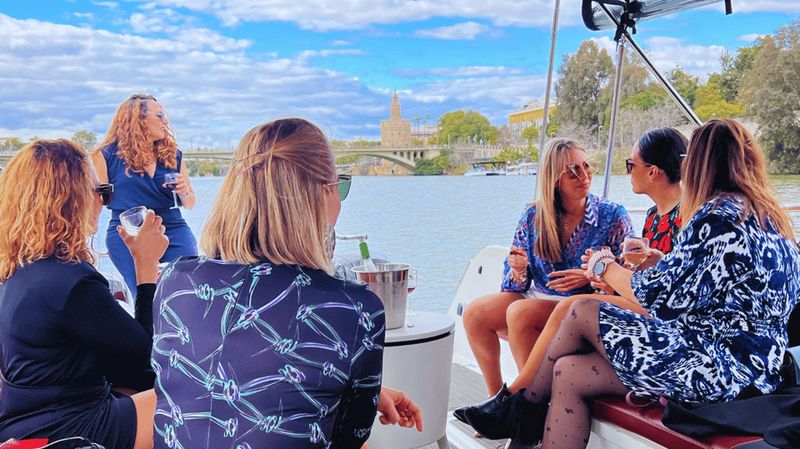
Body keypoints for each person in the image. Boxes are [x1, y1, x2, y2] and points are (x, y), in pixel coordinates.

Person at [456, 119, 800, 449]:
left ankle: (519, 406)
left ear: (699, 166)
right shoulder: (771, 219)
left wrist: (602, 265)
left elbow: (658, 299)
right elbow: (725, 286)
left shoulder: (715, 216)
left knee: (581, 309)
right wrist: (661, 263)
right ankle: (521, 418)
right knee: (569, 371)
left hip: (719, 370)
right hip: (761, 370)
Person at [150, 118, 417, 449]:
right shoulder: (353, 309)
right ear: (323, 194)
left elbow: (218, 379)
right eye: (340, 186)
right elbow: (347, 438)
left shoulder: (175, 281)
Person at [0, 139, 168, 449]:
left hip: (22, 419)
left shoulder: (17, 269)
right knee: (191, 398)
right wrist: (146, 270)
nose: (105, 204)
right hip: (69, 426)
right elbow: (148, 357)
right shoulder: (72, 281)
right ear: (71, 199)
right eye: (101, 192)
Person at [462, 138, 633, 397]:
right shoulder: (532, 216)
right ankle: (496, 397)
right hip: (539, 295)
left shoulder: (612, 216)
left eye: (587, 166)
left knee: (520, 312)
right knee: (474, 314)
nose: (584, 175)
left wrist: (590, 274)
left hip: (581, 304)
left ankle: (530, 400)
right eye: (573, 170)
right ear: (554, 179)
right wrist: (518, 268)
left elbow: (627, 280)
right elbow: (514, 285)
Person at [93, 93, 197, 294]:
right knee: (147, 296)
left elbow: (190, 203)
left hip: (173, 229)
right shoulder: (105, 156)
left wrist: (184, 191)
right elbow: (97, 201)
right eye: (159, 116)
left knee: (184, 295)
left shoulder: (173, 154)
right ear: (138, 120)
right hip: (129, 233)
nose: (165, 120)